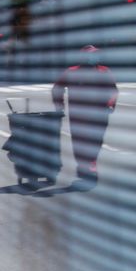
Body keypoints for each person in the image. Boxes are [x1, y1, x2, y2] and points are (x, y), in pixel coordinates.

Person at [52, 45, 118, 182]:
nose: (95, 57)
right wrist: (59, 106)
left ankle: (90, 163)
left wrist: (110, 104)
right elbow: (57, 88)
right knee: (79, 140)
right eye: (91, 55)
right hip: (78, 115)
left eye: (96, 54)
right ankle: (85, 165)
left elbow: (113, 90)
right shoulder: (72, 72)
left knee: (97, 139)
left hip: (100, 113)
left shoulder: (104, 71)